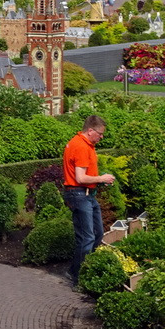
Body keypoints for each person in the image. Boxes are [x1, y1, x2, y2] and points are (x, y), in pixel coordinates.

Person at [63, 115, 116, 285]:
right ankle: (80, 278)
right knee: (87, 237)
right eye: (100, 133)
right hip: (79, 194)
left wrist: (98, 181)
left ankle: (75, 270)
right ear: (90, 130)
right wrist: (101, 179)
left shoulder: (85, 144)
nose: (102, 137)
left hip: (86, 195)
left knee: (97, 233)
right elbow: (80, 178)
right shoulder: (81, 147)